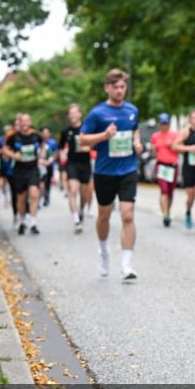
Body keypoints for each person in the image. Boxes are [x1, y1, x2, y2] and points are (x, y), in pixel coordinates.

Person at [79, 68, 143, 280]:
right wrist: (105, 135)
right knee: (104, 215)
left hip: (128, 169)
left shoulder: (132, 110)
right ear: (107, 87)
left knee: (128, 214)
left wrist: (137, 141)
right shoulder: (97, 113)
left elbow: (134, 129)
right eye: (115, 87)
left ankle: (126, 263)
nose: (119, 90)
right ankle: (104, 250)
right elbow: (82, 139)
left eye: (122, 86)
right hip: (105, 171)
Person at [3, 113, 45, 235]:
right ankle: (22, 221)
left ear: (30, 122)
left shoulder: (36, 135)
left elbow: (43, 146)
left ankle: (33, 223)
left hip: (33, 168)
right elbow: (5, 149)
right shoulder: (13, 136)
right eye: (22, 121)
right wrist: (13, 155)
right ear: (19, 123)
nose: (25, 124)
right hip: (19, 170)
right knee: (21, 198)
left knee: (33, 194)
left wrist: (41, 155)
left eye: (27, 121)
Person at [60, 104, 94, 233]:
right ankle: (76, 220)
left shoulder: (87, 129)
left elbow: (94, 143)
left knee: (85, 193)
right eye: (71, 113)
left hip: (85, 163)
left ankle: (81, 211)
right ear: (69, 116)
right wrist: (62, 155)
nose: (73, 115)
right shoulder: (66, 131)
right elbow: (61, 147)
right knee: (73, 190)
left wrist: (89, 147)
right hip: (72, 163)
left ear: (80, 114)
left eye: (75, 113)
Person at [150, 113, 179, 227]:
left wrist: (173, 146)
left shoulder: (175, 135)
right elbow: (154, 151)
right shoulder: (155, 136)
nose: (164, 126)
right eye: (162, 123)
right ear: (159, 124)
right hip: (161, 165)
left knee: (170, 192)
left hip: (173, 166)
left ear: (169, 124)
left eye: (166, 123)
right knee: (164, 190)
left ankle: (167, 210)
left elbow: (179, 149)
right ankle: (165, 214)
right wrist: (153, 150)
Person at [39, 127, 58, 207]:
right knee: (41, 183)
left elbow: (56, 153)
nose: (45, 134)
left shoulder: (53, 142)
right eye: (44, 132)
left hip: (49, 165)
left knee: (47, 183)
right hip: (40, 165)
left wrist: (50, 160)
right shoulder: (38, 141)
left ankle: (47, 197)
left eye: (47, 132)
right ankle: (39, 199)